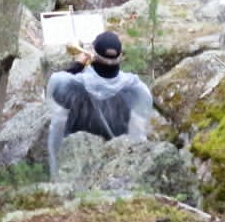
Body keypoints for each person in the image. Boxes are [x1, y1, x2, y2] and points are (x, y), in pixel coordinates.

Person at [45, 30, 153, 178]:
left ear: (93, 55)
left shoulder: (75, 86)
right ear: (121, 57)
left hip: (77, 165)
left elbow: (56, 86)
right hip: (117, 168)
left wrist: (78, 64)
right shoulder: (135, 89)